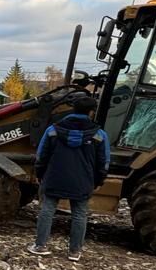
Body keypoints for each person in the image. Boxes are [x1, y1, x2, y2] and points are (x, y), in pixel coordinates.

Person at [27, 93, 110, 261]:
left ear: (73, 109)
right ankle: (74, 252)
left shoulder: (53, 130)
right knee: (79, 214)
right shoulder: (99, 135)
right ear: (91, 112)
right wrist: (99, 180)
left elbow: (41, 155)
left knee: (47, 210)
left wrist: (40, 174)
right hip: (83, 180)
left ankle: (40, 245)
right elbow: (104, 161)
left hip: (54, 177)